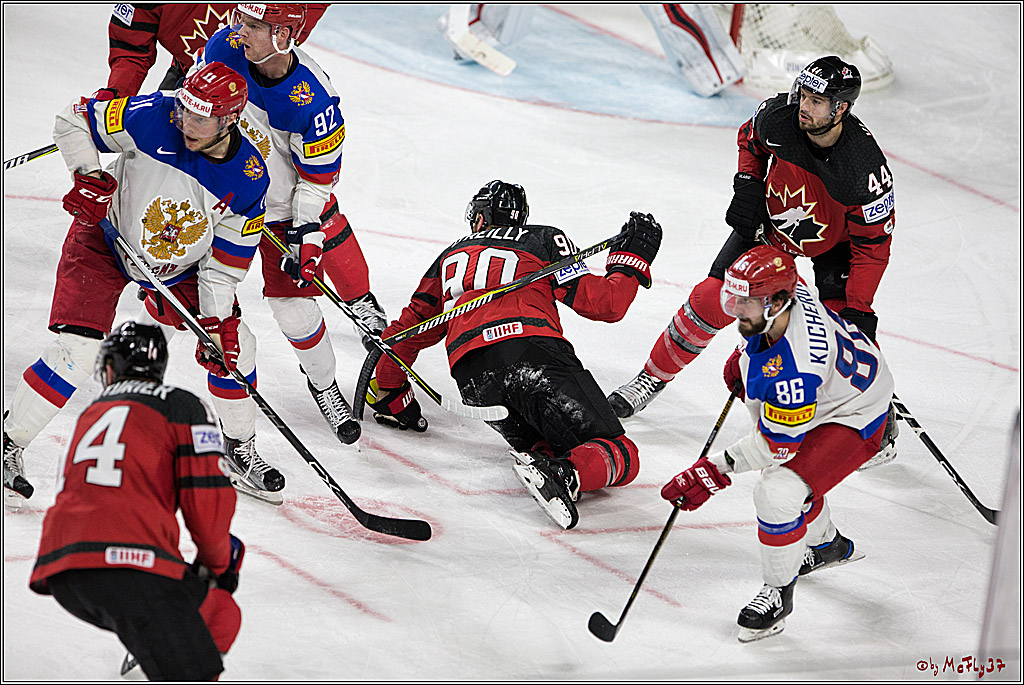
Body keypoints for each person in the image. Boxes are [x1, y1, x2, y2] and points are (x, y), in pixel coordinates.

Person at [2, 61, 282, 512]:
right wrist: (88, 176)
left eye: (201, 117)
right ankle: (8, 440)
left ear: (230, 120)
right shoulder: (154, 114)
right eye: (185, 110)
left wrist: (216, 324)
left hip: (178, 270)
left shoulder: (249, 181)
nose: (186, 122)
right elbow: (74, 118)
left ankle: (238, 447)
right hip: (105, 239)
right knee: (79, 351)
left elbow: (222, 268)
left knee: (237, 346)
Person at [608, 55, 898, 470]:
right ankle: (651, 378)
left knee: (845, 339)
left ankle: (875, 424)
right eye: (803, 94)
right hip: (770, 226)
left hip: (836, 248)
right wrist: (748, 182)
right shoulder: (780, 117)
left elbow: (873, 247)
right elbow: (749, 138)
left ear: (841, 109)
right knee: (711, 298)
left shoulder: (863, 169)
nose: (804, 106)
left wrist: (859, 309)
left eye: (817, 101)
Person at [366, 180, 663, 530]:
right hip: (532, 354)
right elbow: (605, 304)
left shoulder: (450, 255)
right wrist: (630, 261)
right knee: (622, 455)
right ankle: (565, 475)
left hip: (473, 379)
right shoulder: (542, 238)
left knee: (549, 445)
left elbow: (409, 329)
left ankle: (550, 464)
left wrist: (392, 393)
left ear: (480, 218)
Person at [659, 246, 895, 643]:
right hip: (835, 386)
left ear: (778, 302)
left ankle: (778, 596)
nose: (737, 310)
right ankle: (828, 545)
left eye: (747, 303)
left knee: (778, 489)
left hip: (857, 411)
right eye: (735, 298)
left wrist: (713, 470)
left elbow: (775, 446)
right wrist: (745, 353)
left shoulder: (796, 369)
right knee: (788, 475)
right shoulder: (787, 291)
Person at [195, 3, 388, 446]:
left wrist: (304, 231)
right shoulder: (223, 48)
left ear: (283, 36)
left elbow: (317, 182)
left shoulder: (315, 100)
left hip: (277, 213)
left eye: (254, 25)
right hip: (219, 197)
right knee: (190, 281)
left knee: (293, 309)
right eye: (241, 20)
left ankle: (324, 385)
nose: (239, 31)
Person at [28, 322, 245, 680]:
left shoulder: (92, 412)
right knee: (221, 616)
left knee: (191, 609)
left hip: (64, 571)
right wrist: (220, 567)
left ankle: (154, 648)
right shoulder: (182, 406)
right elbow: (208, 505)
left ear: (111, 367)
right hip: (132, 570)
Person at [99, 3, 329, 99]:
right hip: (189, 74)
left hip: (257, 82)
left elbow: (291, 27)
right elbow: (131, 50)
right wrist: (115, 96)